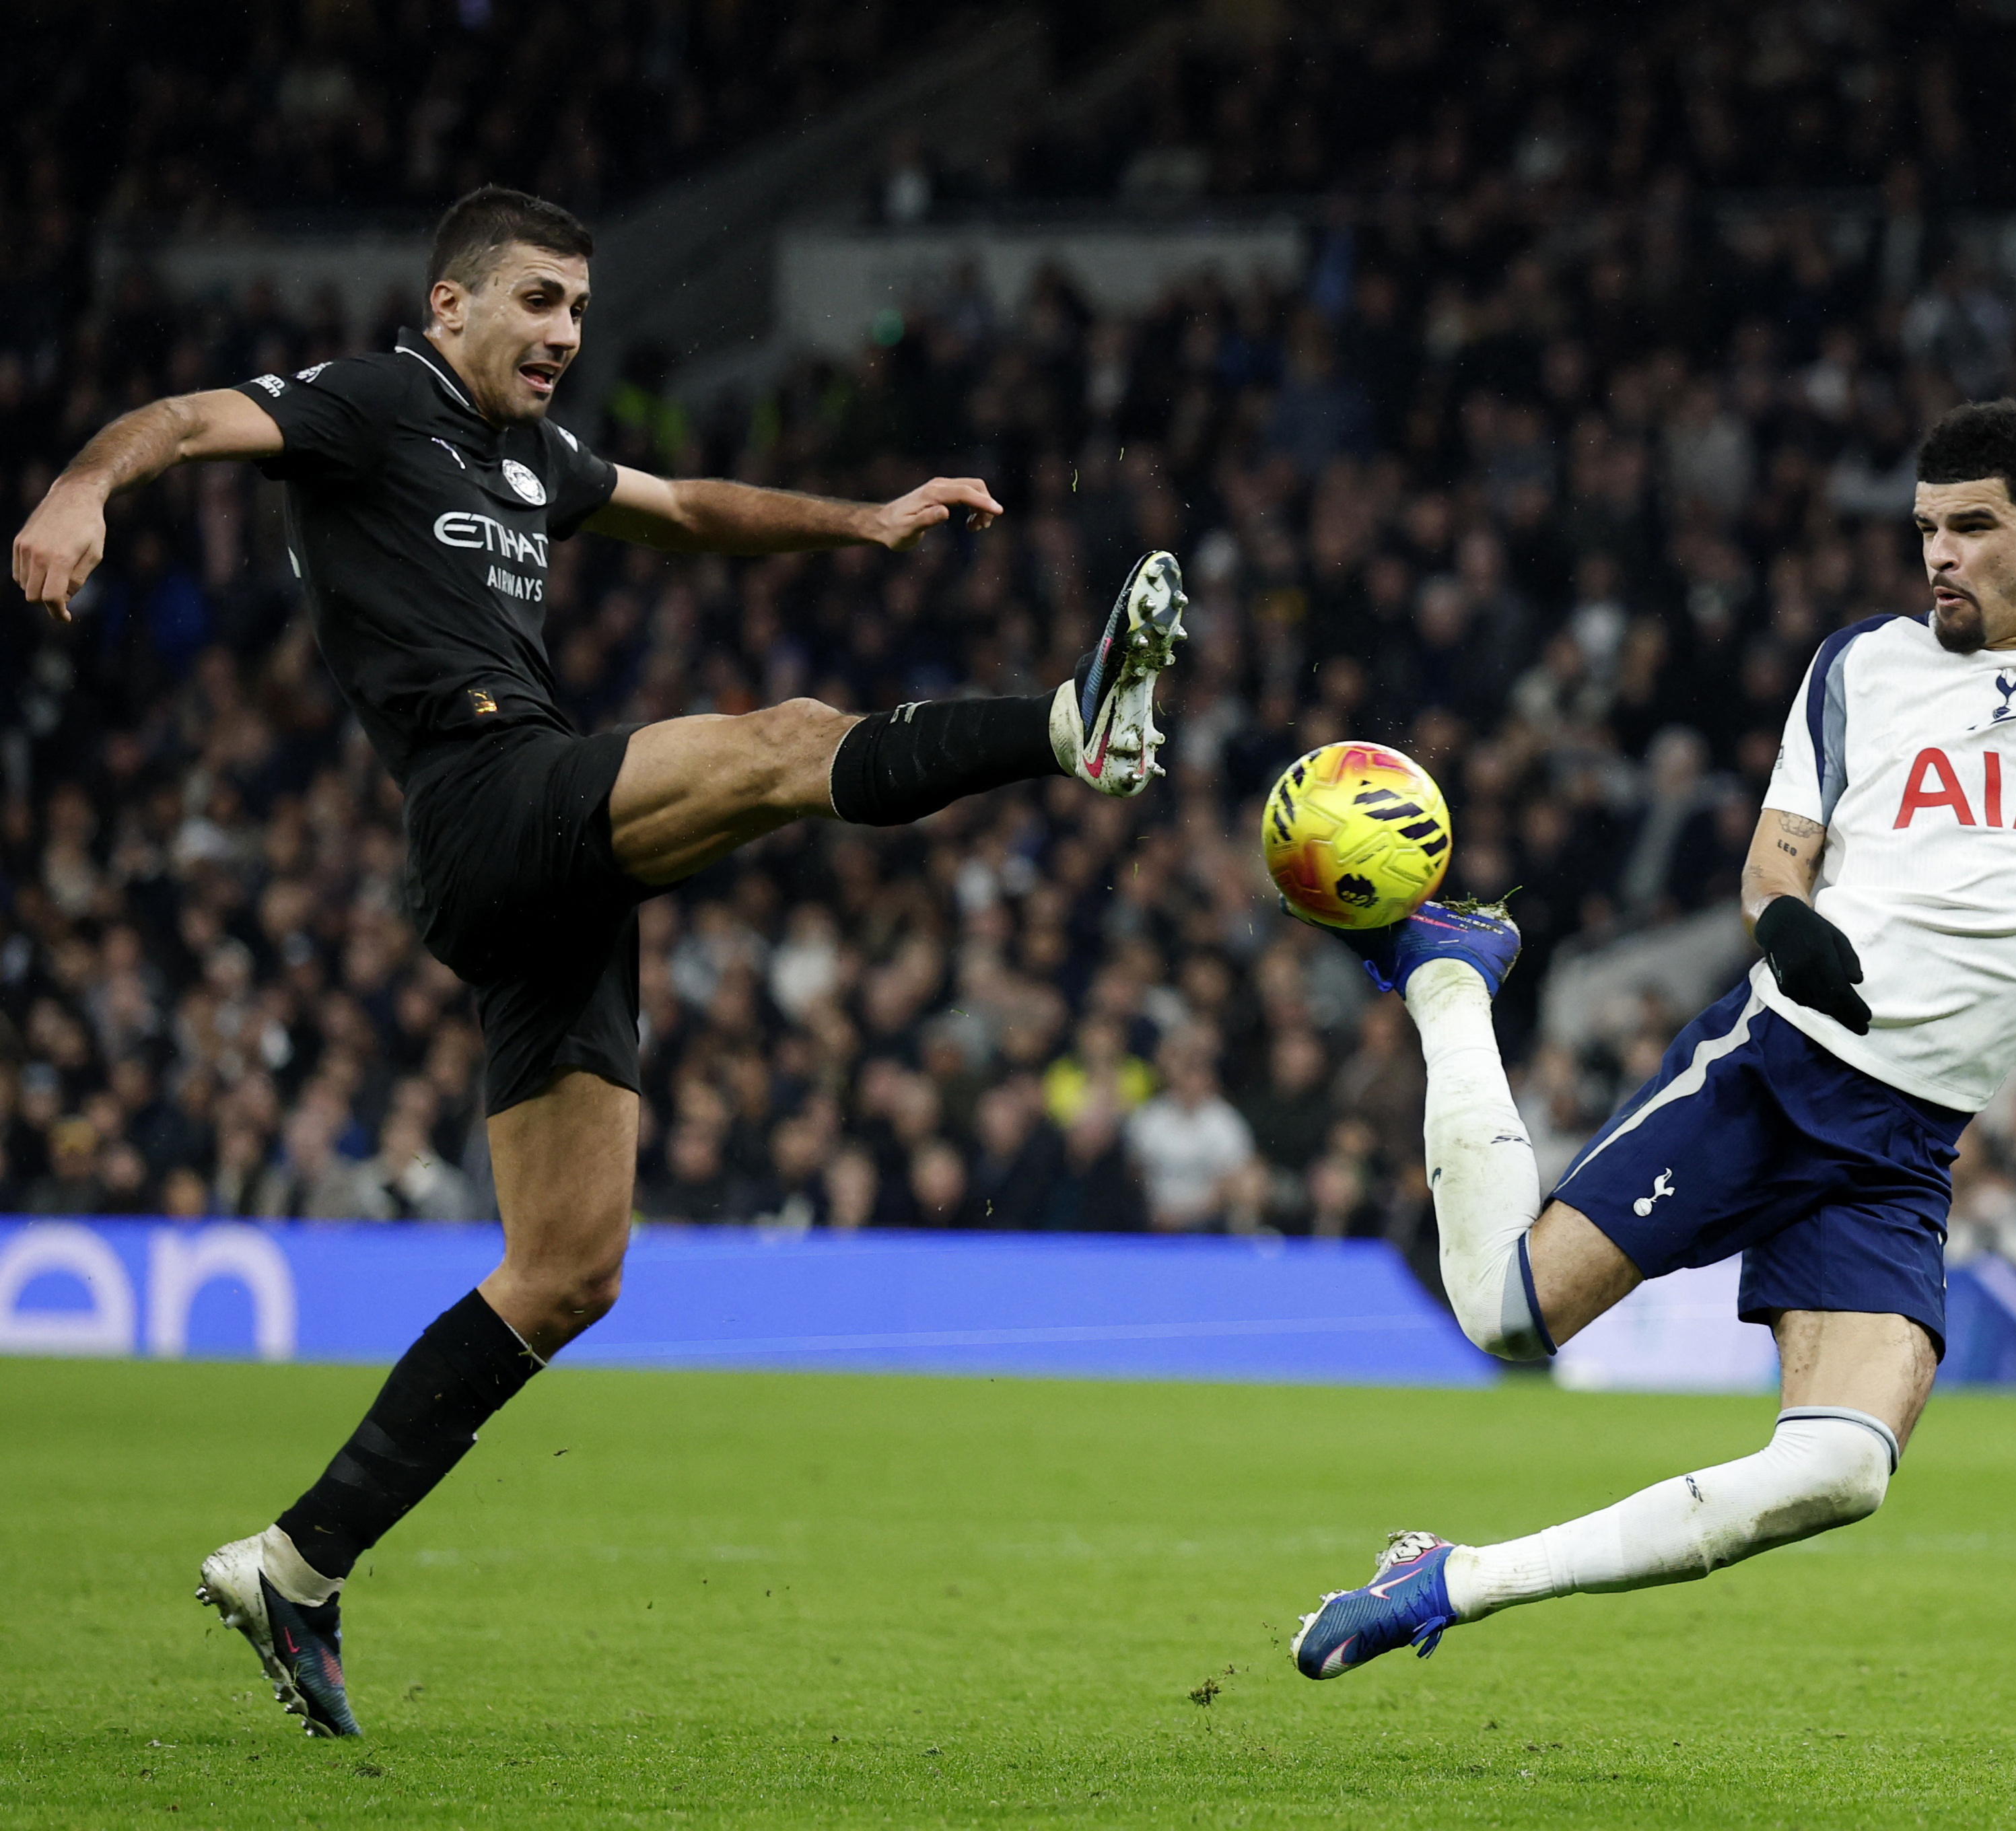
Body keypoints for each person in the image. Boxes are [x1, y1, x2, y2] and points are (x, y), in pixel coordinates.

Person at [9, 186, 1188, 1737]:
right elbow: (172, 419)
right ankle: (1066, 726)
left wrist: (868, 515)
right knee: (784, 746)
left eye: (578, 307)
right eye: (539, 302)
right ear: (452, 306)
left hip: (545, 871)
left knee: (571, 1271)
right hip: (484, 801)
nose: (566, 332)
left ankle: (297, 1565)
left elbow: (690, 507)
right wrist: (80, 490)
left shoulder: (532, 459)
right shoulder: (373, 406)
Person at [1284, 251, 2016, 1679]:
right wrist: (1779, 922)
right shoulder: (1861, 667)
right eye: (1923, 528)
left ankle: (1451, 1583)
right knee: (1503, 1315)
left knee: (1838, 1472)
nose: (1937, 556)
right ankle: (1448, 980)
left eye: (1971, 530)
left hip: (1905, 1139)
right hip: (1781, 1070)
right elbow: (1776, 851)